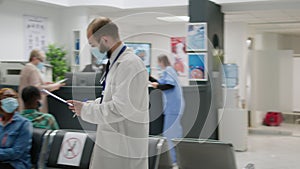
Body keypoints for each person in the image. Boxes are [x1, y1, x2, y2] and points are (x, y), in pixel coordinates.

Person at [67, 17, 149, 169]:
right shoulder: (116, 63)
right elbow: (111, 98)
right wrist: (87, 105)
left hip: (125, 149)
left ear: (104, 40)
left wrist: (86, 110)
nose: (92, 50)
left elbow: (120, 108)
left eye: (92, 45)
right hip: (114, 144)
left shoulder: (130, 65)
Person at [149, 54, 184, 164]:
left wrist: (157, 87)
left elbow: (169, 86)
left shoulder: (168, 70)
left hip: (173, 107)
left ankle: (173, 160)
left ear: (161, 61)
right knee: (174, 133)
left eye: (158, 62)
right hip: (173, 107)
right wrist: (149, 77)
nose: (158, 64)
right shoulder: (169, 71)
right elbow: (162, 83)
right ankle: (177, 158)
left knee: (170, 134)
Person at [19, 49, 64, 113]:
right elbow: (37, 89)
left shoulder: (27, 67)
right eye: (41, 60)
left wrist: (45, 84)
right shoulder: (32, 69)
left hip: (26, 104)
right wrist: (54, 86)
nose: (42, 63)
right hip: (32, 105)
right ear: (34, 58)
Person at [0, 88, 32, 169]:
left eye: (13, 97)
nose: (10, 99)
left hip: (15, 164)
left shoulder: (24, 124)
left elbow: (16, 152)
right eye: (6, 97)